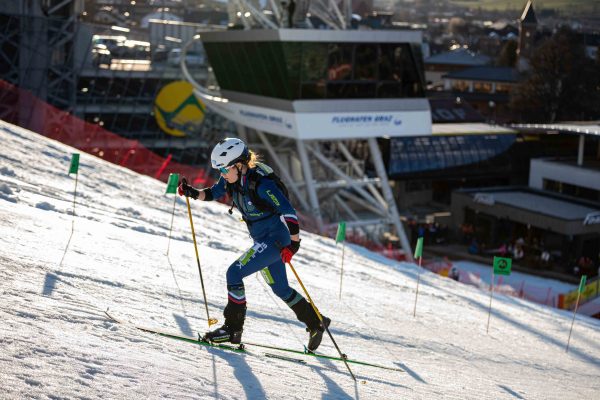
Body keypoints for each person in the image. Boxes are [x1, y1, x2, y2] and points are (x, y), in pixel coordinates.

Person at [178, 138, 330, 352]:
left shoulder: (261, 184)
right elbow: (213, 192)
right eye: (219, 169)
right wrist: (193, 192)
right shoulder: (232, 179)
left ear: (239, 165)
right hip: (262, 240)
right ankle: (316, 322)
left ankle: (232, 329)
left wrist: (294, 245)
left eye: (223, 168)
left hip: (275, 240)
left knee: (234, 273)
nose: (222, 173)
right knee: (280, 288)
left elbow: (289, 212)